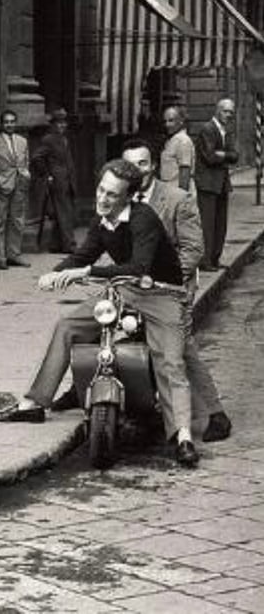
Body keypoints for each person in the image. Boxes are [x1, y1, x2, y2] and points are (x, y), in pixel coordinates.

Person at [0, 159, 201, 468]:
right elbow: (84, 254)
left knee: (170, 361)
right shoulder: (102, 221)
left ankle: (182, 436)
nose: (103, 198)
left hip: (162, 295)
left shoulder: (143, 218)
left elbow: (138, 267)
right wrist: (57, 273)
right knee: (67, 325)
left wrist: (85, 272)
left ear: (129, 197)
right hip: (123, 291)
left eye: (112, 194)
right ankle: (34, 403)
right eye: (101, 190)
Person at [122, 139, 231, 442]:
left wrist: (162, 279)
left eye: (143, 163)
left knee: (180, 348)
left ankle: (215, 414)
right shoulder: (121, 199)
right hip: (136, 285)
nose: (137, 171)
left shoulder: (177, 198)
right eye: (130, 165)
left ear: (153, 165)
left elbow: (193, 249)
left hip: (172, 286)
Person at [0, 110, 31, 269]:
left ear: (15, 123)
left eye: (12, 122)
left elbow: (26, 161)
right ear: (2, 124)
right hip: (1, 186)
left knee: (17, 221)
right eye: (6, 122)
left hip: (19, 185)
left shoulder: (23, 141)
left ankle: (14, 255)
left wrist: (25, 174)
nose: (9, 125)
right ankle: (0, 257)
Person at [194, 98, 238, 271]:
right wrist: (227, 155)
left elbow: (235, 156)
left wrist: (223, 154)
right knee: (208, 224)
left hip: (221, 183)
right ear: (217, 111)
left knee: (220, 224)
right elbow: (210, 157)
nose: (229, 115)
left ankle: (215, 258)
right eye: (226, 111)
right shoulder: (208, 129)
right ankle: (205, 261)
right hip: (208, 183)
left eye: (231, 112)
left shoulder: (226, 130)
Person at [31, 108, 78, 253]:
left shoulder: (64, 139)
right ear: (53, 124)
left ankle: (55, 245)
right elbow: (36, 157)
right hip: (58, 181)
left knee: (60, 213)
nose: (62, 125)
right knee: (65, 213)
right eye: (59, 123)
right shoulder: (49, 139)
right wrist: (48, 174)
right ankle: (69, 245)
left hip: (67, 180)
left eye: (64, 122)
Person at [160, 106, 196, 195]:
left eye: (171, 121)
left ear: (181, 121)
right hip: (169, 189)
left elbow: (185, 171)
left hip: (177, 191)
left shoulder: (183, 141)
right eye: (165, 121)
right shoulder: (172, 140)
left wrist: (182, 196)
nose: (167, 124)